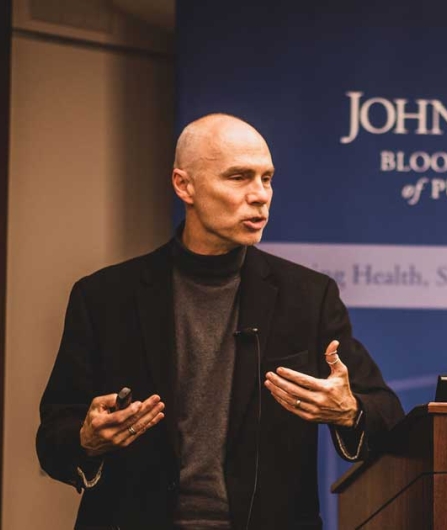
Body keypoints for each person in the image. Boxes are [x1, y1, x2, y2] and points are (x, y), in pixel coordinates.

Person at [36, 113, 405, 530]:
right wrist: (87, 440)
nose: (260, 195)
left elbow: (387, 414)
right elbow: (52, 438)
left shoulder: (308, 297)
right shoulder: (104, 297)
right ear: (184, 185)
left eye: (267, 179)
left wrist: (349, 411)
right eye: (239, 177)